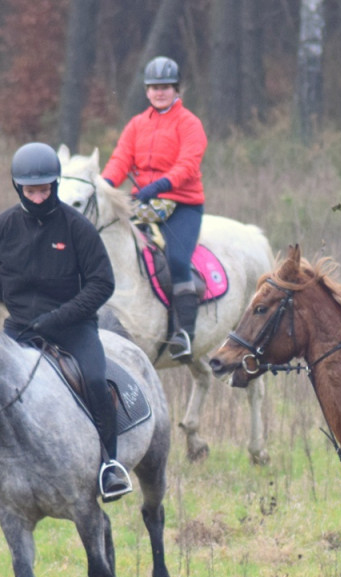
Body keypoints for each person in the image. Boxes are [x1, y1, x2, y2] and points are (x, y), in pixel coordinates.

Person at [0, 142, 133, 504]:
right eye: (30, 190)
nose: (37, 196)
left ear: (55, 185)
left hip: (74, 329)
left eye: (44, 189)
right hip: (19, 333)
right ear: (18, 188)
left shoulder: (77, 227)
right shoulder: (3, 226)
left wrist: (58, 318)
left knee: (95, 380)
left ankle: (109, 466)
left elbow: (102, 283)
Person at [101, 55, 207, 361]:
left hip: (182, 205)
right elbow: (120, 159)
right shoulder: (136, 125)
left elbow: (188, 164)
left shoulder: (190, 124)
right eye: (154, 87)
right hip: (144, 203)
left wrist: (158, 186)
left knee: (175, 260)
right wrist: (104, 186)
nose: (159, 92)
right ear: (147, 91)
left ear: (176, 90)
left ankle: (184, 333)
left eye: (165, 87)